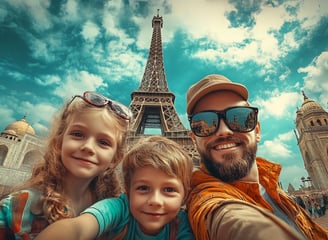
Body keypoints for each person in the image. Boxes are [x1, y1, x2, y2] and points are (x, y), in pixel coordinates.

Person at [185, 74, 328, 240]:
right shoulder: (209, 204)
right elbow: (230, 220)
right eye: (204, 123)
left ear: (257, 130)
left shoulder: (272, 187)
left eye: (239, 117)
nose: (224, 130)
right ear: (194, 140)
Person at [0, 91, 131, 239]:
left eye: (103, 142)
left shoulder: (113, 212)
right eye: (78, 134)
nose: (88, 147)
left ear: (115, 158)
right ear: (59, 142)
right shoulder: (13, 208)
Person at [35, 136, 194, 240]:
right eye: (143, 188)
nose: (155, 201)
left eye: (169, 190)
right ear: (128, 190)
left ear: (185, 195)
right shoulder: (118, 209)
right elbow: (78, 227)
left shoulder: (181, 225)